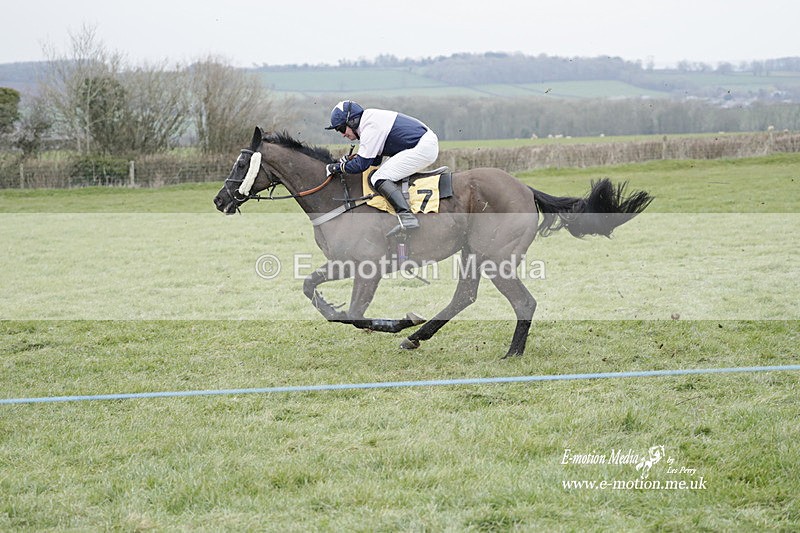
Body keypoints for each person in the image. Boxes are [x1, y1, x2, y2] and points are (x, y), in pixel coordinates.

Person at [324, 100, 439, 234]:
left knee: (379, 177)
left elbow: (362, 165)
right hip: (421, 143)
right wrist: (348, 163)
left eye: (342, 129)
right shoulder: (368, 121)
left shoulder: (369, 127)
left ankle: (407, 217)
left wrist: (337, 167)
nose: (343, 134)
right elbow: (374, 160)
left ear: (352, 121)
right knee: (378, 174)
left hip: (423, 146)